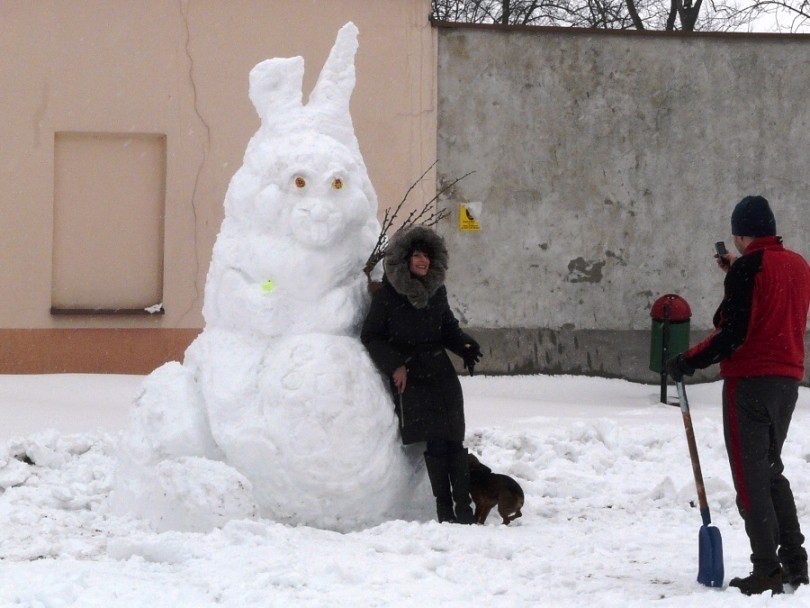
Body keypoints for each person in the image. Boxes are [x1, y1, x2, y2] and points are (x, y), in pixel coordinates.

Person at [667, 195, 810, 595]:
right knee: (770, 471)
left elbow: (732, 332)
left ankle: (766, 568)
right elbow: (770, 308)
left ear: (742, 234)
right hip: (787, 382)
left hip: (749, 382)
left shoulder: (750, 268)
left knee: (750, 481)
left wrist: (688, 361)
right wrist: (736, 272)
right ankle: (795, 562)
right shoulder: (799, 265)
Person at [361, 225, 482, 524]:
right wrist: (395, 365)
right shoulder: (388, 296)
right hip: (413, 376)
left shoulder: (436, 291)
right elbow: (372, 336)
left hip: (440, 372)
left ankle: (463, 508)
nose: (423, 261)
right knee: (436, 441)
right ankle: (444, 509)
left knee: (455, 436)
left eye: (427, 256)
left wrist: (465, 345)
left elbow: (447, 329)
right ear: (405, 259)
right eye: (417, 255)